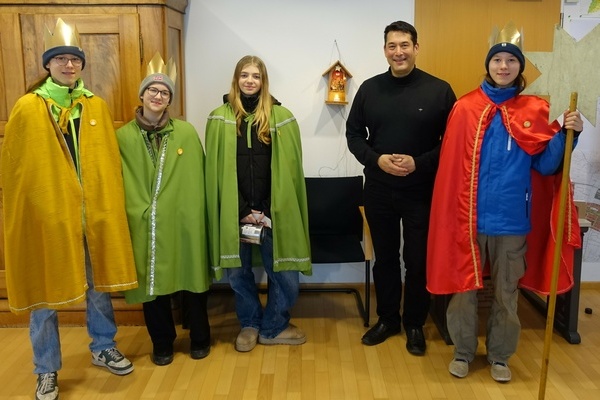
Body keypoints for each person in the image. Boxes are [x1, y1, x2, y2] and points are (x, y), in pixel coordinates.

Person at [427, 22, 583, 382]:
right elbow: (450, 171)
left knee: (506, 294)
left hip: (512, 221)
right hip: (468, 222)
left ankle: (500, 355)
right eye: (497, 59)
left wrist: (567, 133)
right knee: (464, 292)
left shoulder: (537, 108)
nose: (503, 66)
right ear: (488, 65)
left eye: (510, 61)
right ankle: (463, 351)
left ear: (519, 67)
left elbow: (545, 165)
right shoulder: (465, 108)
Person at [0, 18, 138, 400]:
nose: (68, 65)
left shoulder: (93, 106)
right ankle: (45, 369)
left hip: (90, 215)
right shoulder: (29, 108)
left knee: (97, 286)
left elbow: (106, 165)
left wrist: (106, 208)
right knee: (45, 293)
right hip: (49, 217)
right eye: (60, 59)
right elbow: (17, 170)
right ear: (47, 64)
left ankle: (102, 346)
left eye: (74, 59)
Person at [345, 20, 456, 355]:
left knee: (418, 260)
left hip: (422, 190)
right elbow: (353, 135)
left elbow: (451, 142)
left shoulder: (439, 90)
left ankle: (414, 325)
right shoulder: (369, 89)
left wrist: (418, 163)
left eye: (404, 45)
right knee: (386, 258)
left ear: (416, 48)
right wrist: (375, 160)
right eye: (392, 46)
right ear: (385, 51)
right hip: (378, 188)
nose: (398, 52)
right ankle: (389, 318)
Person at [204, 55, 312, 352]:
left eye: (256, 76)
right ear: (236, 79)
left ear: (264, 82)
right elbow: (215, 173)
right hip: (235, 212)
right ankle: (250, 323)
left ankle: (274, 325)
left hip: (271, 211)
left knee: (284, 273)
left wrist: (263, 209)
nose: (250, 81)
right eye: (244, 75)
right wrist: (241, 211)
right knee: (238, 274)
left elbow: (288, 170)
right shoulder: (218, 118)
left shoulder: (282, 117)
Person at [116, 52, 212, 366]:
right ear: (142, 95)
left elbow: (199, 177)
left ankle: (200, 336)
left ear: (170, 99)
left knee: (191, 276)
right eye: (153, 91)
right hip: (144, 222)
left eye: (165, 93)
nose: (159, 96)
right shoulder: (122, 138)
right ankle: (162, 342)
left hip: (183, 218)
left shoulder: (185, 132)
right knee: (151, 285)